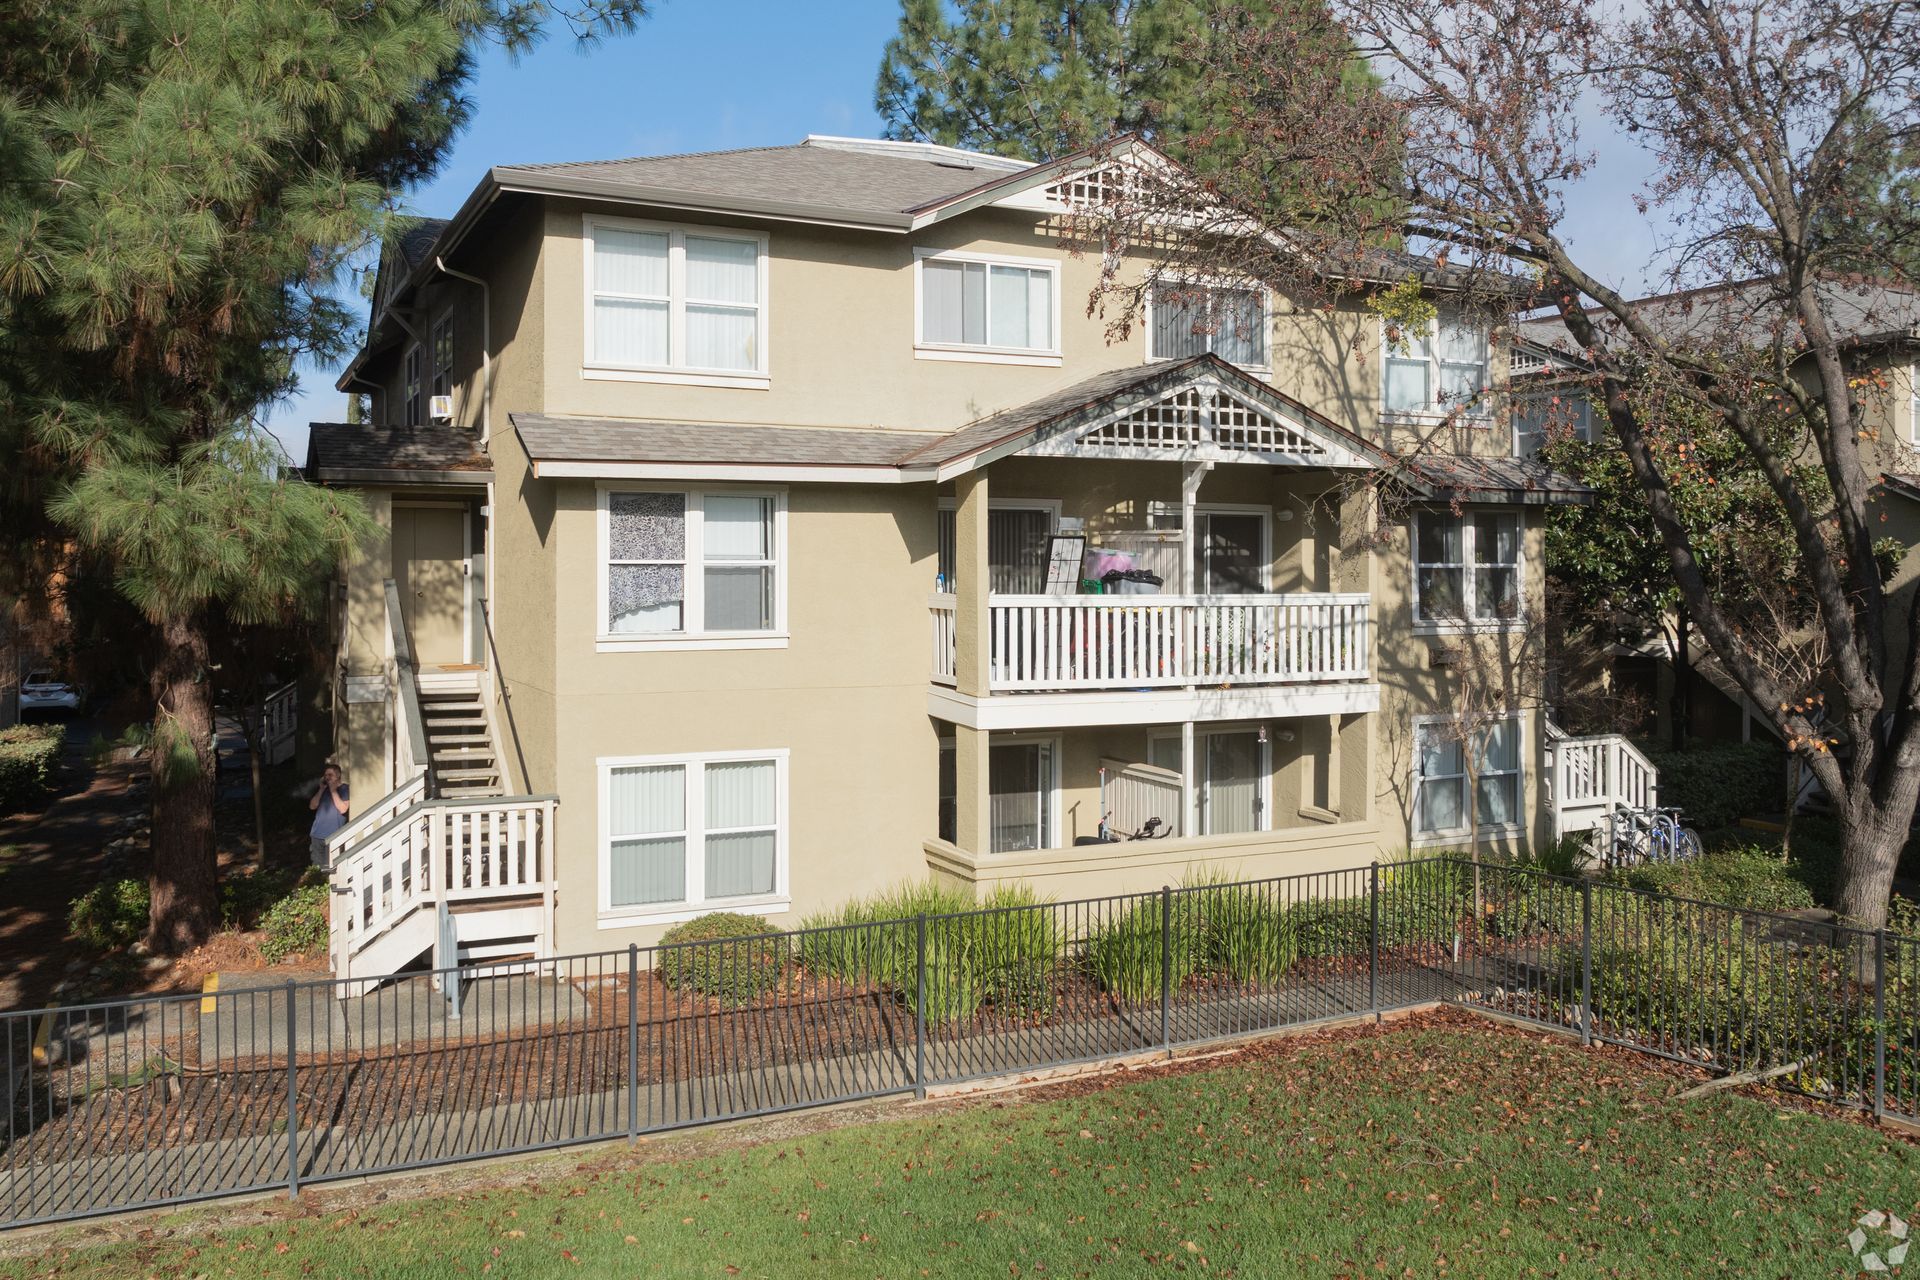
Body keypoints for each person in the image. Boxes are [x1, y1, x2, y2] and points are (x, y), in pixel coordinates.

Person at [309, 764, 350, 867]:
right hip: (317, 835)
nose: (327, 777)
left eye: (330, 775)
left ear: (338, 775)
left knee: (331, 867)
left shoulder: (345, 789)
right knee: (318, 868)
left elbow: (343, 809)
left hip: (333, 836)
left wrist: (333, 791)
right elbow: (312, 806)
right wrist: (321, 789)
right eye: (325, 775)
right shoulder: (323, 790)